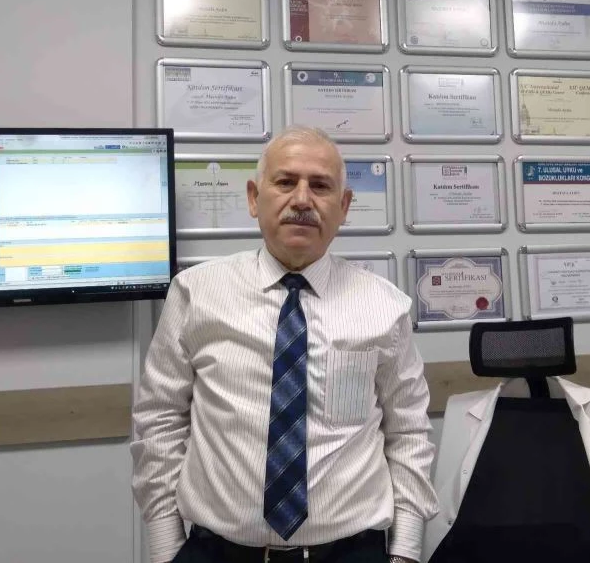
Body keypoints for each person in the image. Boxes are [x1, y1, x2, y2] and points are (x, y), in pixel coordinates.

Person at [132, 126, 438, 563]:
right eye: (285, 181)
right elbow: (159, 420)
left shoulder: (385, 306)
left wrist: (405, 551)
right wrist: (166, 548)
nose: (302, 199)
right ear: (254, 198)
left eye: (320, 186)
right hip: (217, 552)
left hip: (351, 552)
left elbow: (408, 431)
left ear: (343, 207)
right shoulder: (196, 293)